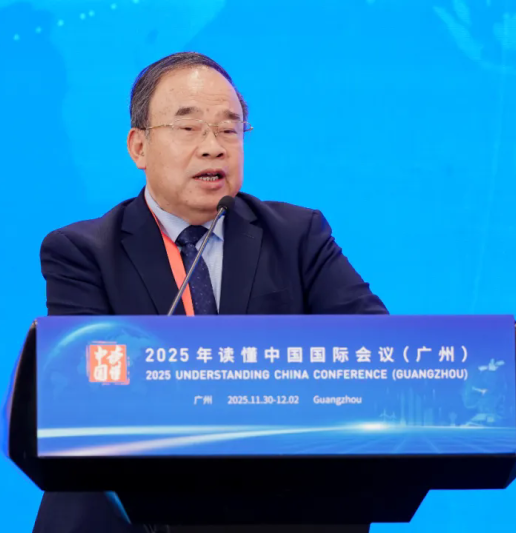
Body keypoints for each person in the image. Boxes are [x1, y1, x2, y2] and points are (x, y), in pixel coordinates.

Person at [33, 52, 388, 533]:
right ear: (139, 147)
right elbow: (88, 379)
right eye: (188, 128)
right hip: (133, 512)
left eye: (229, 129)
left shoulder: (298, 236)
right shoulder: (82, 252)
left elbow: (374, 352)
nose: (213, 148)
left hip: (279, 506)